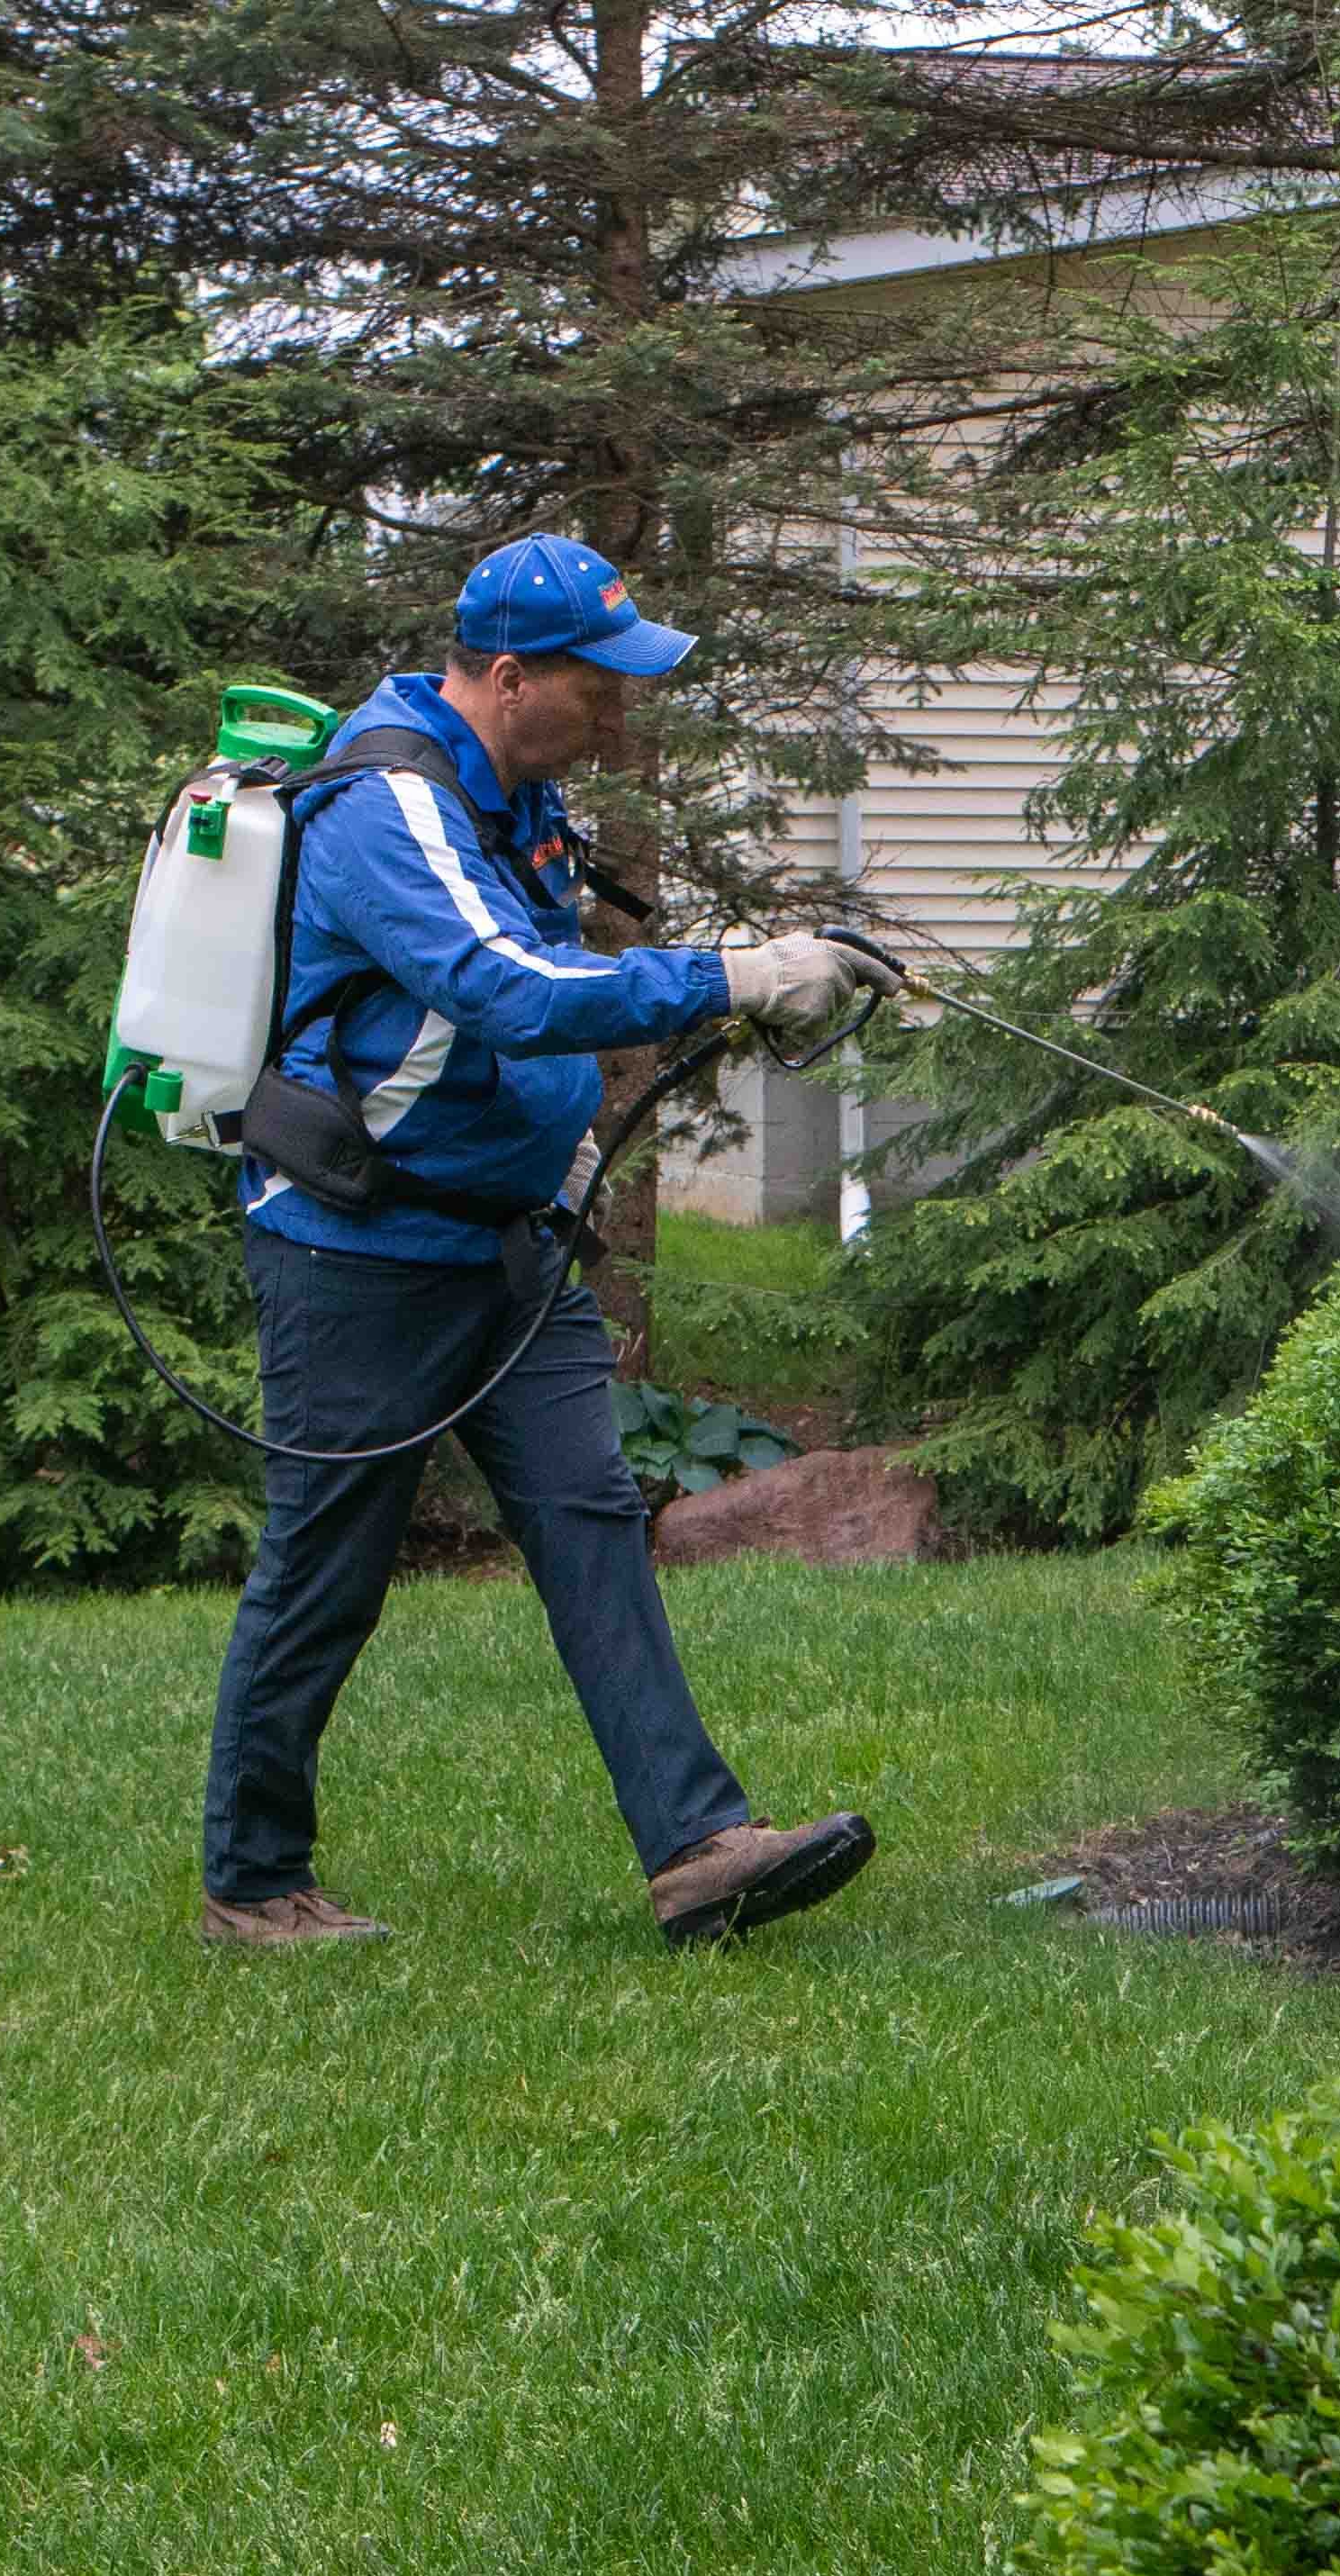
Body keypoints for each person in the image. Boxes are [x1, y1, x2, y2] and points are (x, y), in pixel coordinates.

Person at [195, 534, 907, 1951]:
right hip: (358, 1247)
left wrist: (569, 1138)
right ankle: (253, 1883)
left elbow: (545, 984)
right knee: (327, 1565)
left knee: (590, 1526)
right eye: (597, 686)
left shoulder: (519, 789)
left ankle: (698, 1848)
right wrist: (735, 972)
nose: (618, 712)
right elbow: (499, 984)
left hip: (505, 1238)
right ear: (509, 676)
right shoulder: (383, 808)